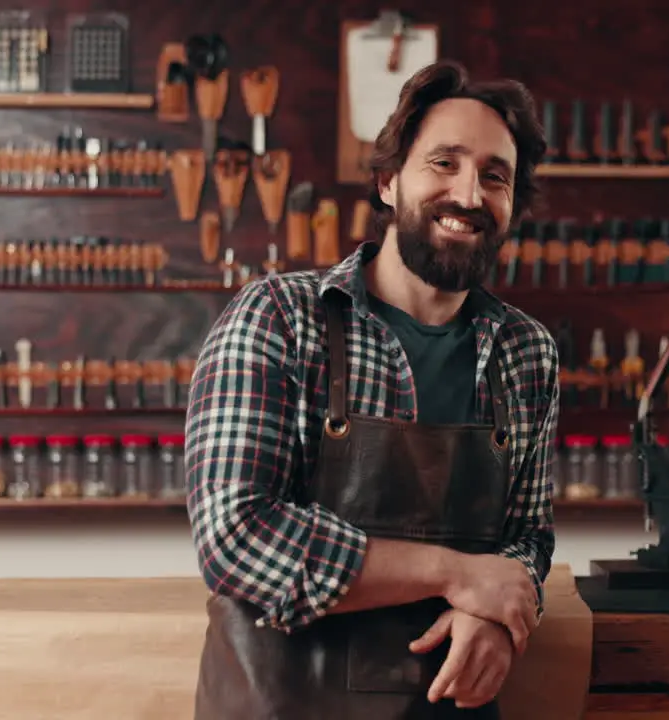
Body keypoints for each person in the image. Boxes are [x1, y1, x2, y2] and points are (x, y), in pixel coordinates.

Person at [185, 60, 559, 720]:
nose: (469, 195)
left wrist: (503, 615)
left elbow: (526, 538)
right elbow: (237, 537)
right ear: (388, 182)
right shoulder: (277, 317)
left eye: (494, 176)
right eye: (444, 163)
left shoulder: (526, 353)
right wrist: (458, 574)